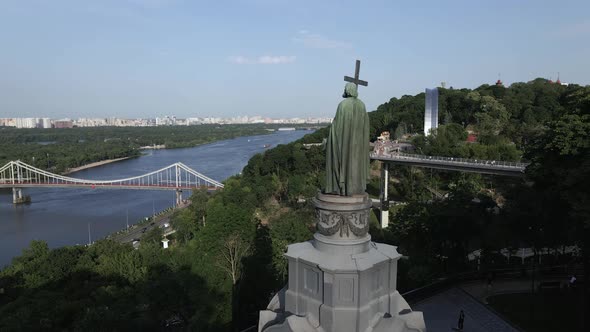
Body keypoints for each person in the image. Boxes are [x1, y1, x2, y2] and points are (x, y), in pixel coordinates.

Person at [325, 82, 370, 196]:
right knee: (356, 164)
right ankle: (357, 187)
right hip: (358, 143)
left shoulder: (343, 105)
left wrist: (329, 138)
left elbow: (337, 127)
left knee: (344, 162)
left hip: (344, 143)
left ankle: (343, 188)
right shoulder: (362, 105)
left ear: (347, 90)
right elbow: (365, 126)